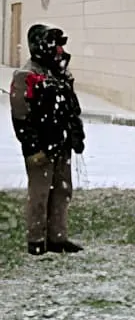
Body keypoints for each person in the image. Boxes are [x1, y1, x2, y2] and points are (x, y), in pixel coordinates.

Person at [8, 24, 86, 256]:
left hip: (61, 143)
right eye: (54, 45)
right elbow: (20, 115)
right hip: (41, 146)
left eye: (60, 45)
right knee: (40, 192)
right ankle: (36, 240)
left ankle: (57, 238)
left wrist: (76, 133)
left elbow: (71, 108)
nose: (59, 50)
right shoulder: (27, 74)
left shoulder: (61, 72)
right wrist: (32, 147)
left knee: (62, 190)